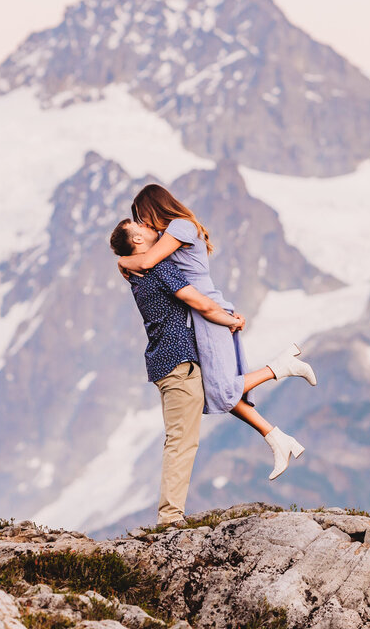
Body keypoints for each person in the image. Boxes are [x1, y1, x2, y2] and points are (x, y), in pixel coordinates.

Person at [116, 184, 316, 479]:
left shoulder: (181, 227)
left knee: (220, 389)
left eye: (143, 217)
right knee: (216, 390)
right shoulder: (170, 238)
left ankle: (281, 367)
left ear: (155, 208)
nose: (144, 225)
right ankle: (277, 439)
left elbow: (145, 262)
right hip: (200, 317)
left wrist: (122, 260)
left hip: (209, 312)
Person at [108, 218, 239, 525]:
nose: (149, 226)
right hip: (179, 361)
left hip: (163, 361)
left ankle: (171, 512)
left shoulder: (135, 272)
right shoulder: (160, 268)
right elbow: (198, 302)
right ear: (138, 239)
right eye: (139, 225)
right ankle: (170, 516)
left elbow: (130, 261)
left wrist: (124, 259)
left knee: (177, 438)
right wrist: (230, 319)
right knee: (182, 440)